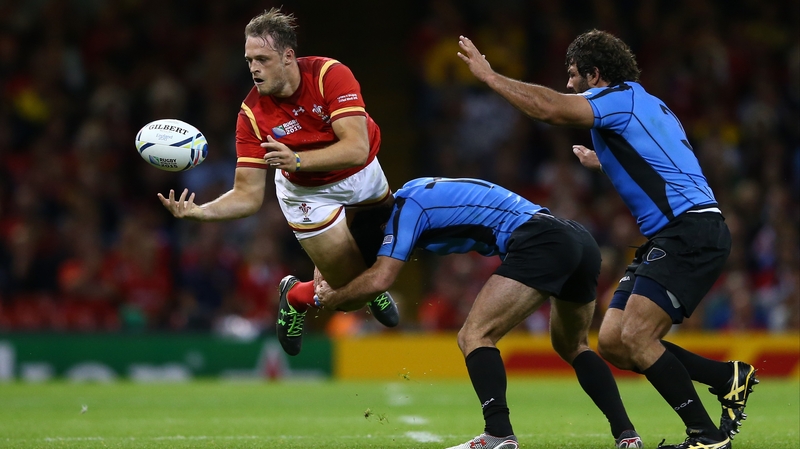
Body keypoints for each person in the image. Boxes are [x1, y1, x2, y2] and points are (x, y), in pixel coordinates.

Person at [457, 30, 758, 449]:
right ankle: (726, 377)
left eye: (573, 75)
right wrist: (606, 161)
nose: (569, 84)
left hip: (689, 230)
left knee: (636, 336)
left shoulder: (618, 99)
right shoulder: (648, 102)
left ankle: (706, 436)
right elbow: (663, 158)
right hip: (678, 231)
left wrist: (491, 77)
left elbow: (550, 109)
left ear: (596, 74)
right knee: (615, 341)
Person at [315, 177, 644, 449]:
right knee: (573, 345)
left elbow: (381, 278)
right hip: (576, 237)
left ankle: (498, 433)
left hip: (540, 240)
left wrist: (328, 298)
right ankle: (627, 435)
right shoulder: (412, 191)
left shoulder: (403, 214)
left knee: (474, 335)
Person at [157, 7, 399, 354]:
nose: (253, 68)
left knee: (393, 247)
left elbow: (357, 149)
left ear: (288, 56)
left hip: (359, 172)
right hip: (306, 193)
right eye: (249, 60)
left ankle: (367, 281)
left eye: (262, 59)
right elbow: (247, 195)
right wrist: (201, 212)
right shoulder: (251, 116)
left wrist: (297, 159)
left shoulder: (329, 75)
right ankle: (296, 296)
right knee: (349, 297)